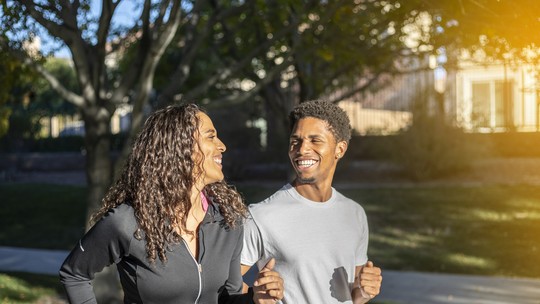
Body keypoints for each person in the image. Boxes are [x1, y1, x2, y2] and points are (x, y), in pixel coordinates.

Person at [59, 104, 284, 304]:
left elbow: (228, 297)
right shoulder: (129, 222)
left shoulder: (228, 220)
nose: (222, 145)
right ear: (180, 147)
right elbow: (74, 274)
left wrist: (255, 298)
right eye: (210, 137)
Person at [241, 100, 382, 304]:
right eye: (295, 141)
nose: (302, 149)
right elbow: (224, 283)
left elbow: (353, 297)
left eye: (315, 140)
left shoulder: (355, 214)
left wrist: (365, 291)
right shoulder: (261, 216)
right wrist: (255, 297)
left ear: (340, 149)